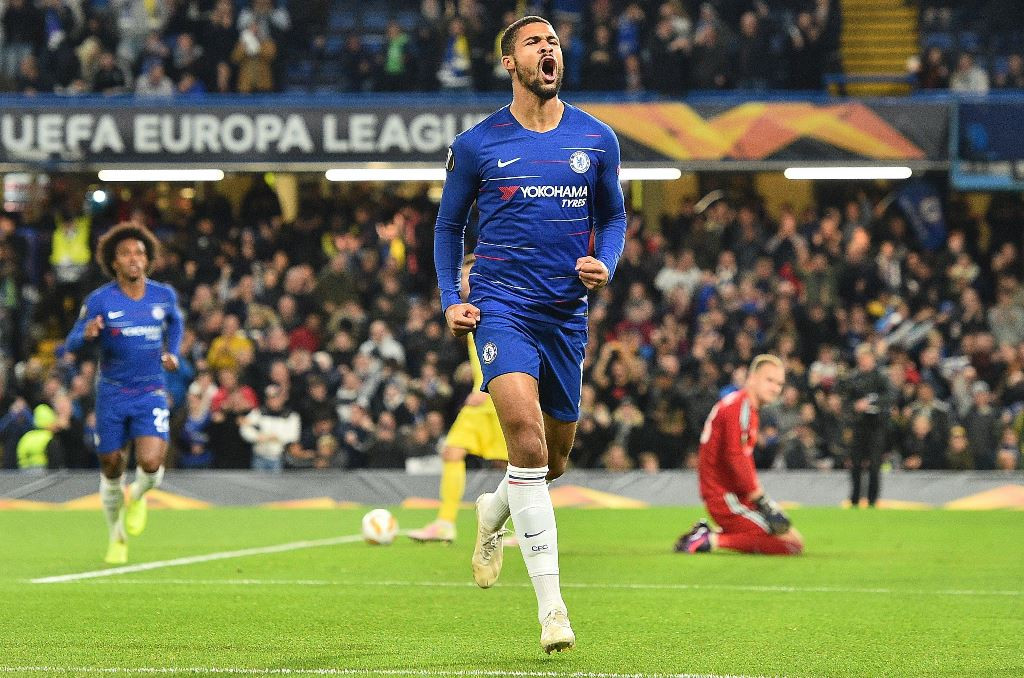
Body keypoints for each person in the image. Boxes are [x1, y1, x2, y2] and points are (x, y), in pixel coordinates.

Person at [433, 15, 626, 654]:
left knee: (553, 460)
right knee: (525, 434)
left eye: (554, 42)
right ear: (510, 64)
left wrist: (608, 262)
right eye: (533, 43)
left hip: (565, 312)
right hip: (500, 305)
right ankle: (553, 609)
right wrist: (452, 299)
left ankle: (494, 509)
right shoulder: (477, 144)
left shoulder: (596, 139)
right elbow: (446, 229)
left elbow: (614, 217)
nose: (549, 49)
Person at [65, 223, 184, 564]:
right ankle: (116, 536)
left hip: (150, 391)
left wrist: (172, 352)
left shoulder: (163, 295)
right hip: (113, 393)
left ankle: (140, 494)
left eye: (140, 253)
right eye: (126, 254)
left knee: (150, 462)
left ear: (147, 260)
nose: (134, 259)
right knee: (112, 464)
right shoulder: (100, 300)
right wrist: (87, 334)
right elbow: (70, 343)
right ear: (114, 263)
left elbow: (174, 323)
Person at [409, 255, 509, 543]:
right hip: (485, 397)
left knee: (519, 466)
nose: (464, 281)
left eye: (469, 275)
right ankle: (445, 523)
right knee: (453, 451)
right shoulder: (471, 308)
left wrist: (482, 387)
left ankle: (527, 529)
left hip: (496, 396)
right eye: (462, 275)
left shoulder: (493, 305)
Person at [675, 355, 804, 556]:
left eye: (779, 383)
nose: (776, 388)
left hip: (731, 494)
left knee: (792, 538)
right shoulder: (740, 408)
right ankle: (710, 540)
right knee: (790, 544)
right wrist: (762, 500)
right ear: (752, 378)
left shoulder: (742, 406)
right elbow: (736, 457)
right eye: (769, 380)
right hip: (725, 496)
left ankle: (707, 535)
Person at [840, 344, 892, 507]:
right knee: (855, 464)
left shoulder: (881, 377)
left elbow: (890, 396)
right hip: (859, 425)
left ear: (872, 359)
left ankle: (872, 500)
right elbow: (846, 402)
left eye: (864, 358)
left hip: (876, 425)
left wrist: (870, 402)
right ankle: (855, 499)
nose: (862, 362)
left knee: (875, 465)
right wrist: (855, 406)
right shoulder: (853, 378)